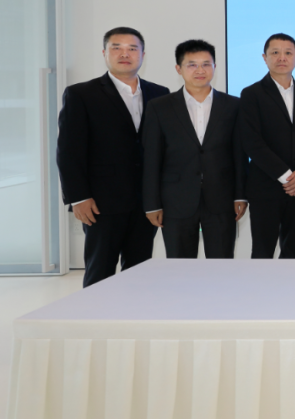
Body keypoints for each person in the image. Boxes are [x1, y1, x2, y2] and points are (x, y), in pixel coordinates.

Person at [57, 27, 169, 286]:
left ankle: (134, 310)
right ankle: (94, 313)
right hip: (101, 203)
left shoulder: (159, 93)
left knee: (140, 270)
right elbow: (69, 151)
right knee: (100, 270)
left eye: (132, 48)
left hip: (146, 202)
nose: (124, 54)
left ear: (143, 55)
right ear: (104, 53)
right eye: (116, 48)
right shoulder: (81, 94)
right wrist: (79, 197)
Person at [143, 40, 247, 258]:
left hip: (221, 199)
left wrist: (241, 195)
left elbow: (239, 154)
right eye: (192, 65)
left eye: (206, 64)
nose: (200, 70)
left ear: (215, 67)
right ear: (178, 68)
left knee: (222, 265)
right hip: (175, 201)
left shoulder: (233, 105)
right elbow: (152, 158)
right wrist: (152, 204)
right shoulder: (159, 106)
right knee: (180, 267)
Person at [239, 33, 295, 259]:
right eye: (275, 52)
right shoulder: (251, 94)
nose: (282, 58)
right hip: (266, 186)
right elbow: (251, 142)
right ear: (265, 58)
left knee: (294, 252)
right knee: (262, 252)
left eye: (288, 53)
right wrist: (286, 176)